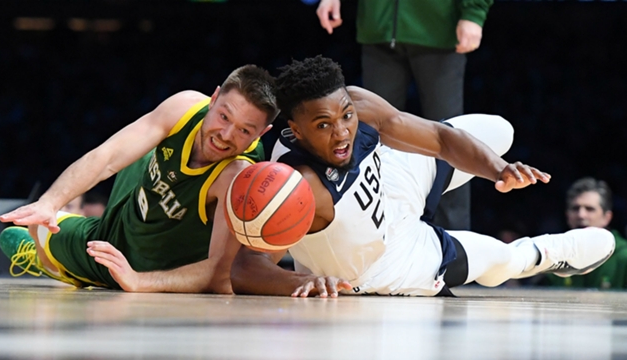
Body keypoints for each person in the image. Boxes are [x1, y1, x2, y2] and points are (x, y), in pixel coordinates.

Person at [228, 56, 615, 297]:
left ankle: (481, 170)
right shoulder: (295, 185)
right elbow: (245, 267)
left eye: (346, 115)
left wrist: (500, 171)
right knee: (499, 261)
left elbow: (440, 138)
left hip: (391, 182)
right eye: (324, 125)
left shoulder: (359, 103)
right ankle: (546, 253)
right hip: (386, 261)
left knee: (499, 131)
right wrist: (297, 282)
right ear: (295, 131)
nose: (343, 131)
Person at [0, 64, 278, 293]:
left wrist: (139, 281)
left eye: (244, 131)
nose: (225, 135)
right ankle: (56, 258)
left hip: (153, 262)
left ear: (261, 133)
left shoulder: (240, 177)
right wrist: (49, 202)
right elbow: (106, 157)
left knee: (44, 236)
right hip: (123, 218)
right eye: (224, 116)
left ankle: (68, 267)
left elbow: (218, 273)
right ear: (214, 98)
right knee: (42, 224)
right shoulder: (186, 107)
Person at [316, 0, 493, 231]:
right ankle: (368, 233)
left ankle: (454, 237)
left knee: (450, 136)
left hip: (438, 26)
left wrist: (473, 13)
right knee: (367, 138)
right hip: (378, 27)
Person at [541, 177, 627, 289]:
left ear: (607, 217)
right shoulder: (552, 255)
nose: (581, 215)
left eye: (589, 209)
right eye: (575, 208)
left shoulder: (623, 257)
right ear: (567, 216)